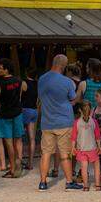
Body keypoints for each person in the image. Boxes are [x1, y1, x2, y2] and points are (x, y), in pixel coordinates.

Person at [37, 54, 83, 191]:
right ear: (63, 66)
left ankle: (43, 182)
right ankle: (69, 182)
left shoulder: (42, 79)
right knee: (64, 154)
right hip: (64, 121)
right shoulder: (67, 82)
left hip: (47, 121)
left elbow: (41, 97)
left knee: (45, 152)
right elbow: (73, 99)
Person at [0, 59, 26, 178]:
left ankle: (12, 169)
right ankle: (19, 161)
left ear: (6, 69)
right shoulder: (19, 80)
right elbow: (23, 91)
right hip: (17, 113)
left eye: (0, 68)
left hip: (4, 114)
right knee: (18, 139)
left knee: (8, 143)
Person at [71, 101, 101, 191]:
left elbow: (73, 137)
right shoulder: (94, 122)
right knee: (96, 166)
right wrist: (99, 146)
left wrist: (73, 147)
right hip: (92, 148)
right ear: (91, 111)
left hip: (81, 149)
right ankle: (98, 185)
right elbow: (98, 136)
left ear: (80, 110)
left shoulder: (76, 122)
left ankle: (86, 186)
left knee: (84, 168)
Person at [20, 69, 39, 172]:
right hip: (34, 110)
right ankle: (30, 163)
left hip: (25, 110)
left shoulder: (24, 83)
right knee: (32, 138)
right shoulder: (37, 84)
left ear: (26, 73)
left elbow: (19, 98)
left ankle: (20, 159)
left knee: (20, 136)